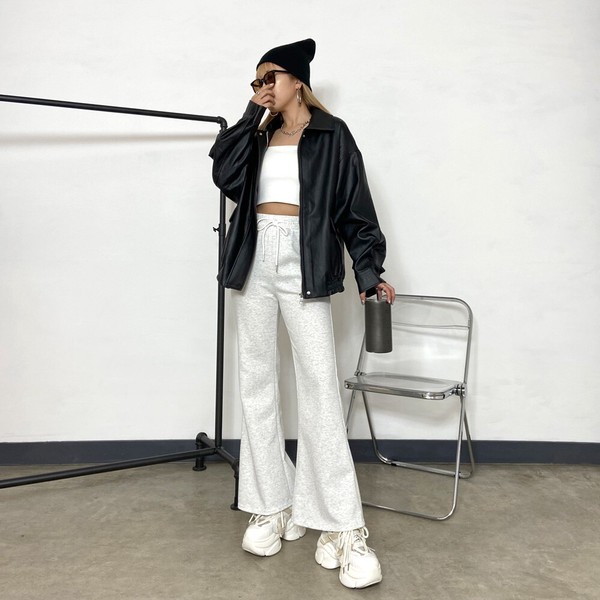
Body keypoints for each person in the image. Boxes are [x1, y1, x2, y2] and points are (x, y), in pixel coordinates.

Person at [209, 38, 395, 590]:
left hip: (305, 260)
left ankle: (342, 526)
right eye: (255, 80)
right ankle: (272, 504)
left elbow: (356, 210)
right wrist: (251, 114)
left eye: (270, 77)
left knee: (318, 387)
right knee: (256, 384)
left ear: (297, 80)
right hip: (254, 258)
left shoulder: (333, 135)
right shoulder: (257, 135)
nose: (262, 86)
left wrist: (369, 273)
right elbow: (223, 174)